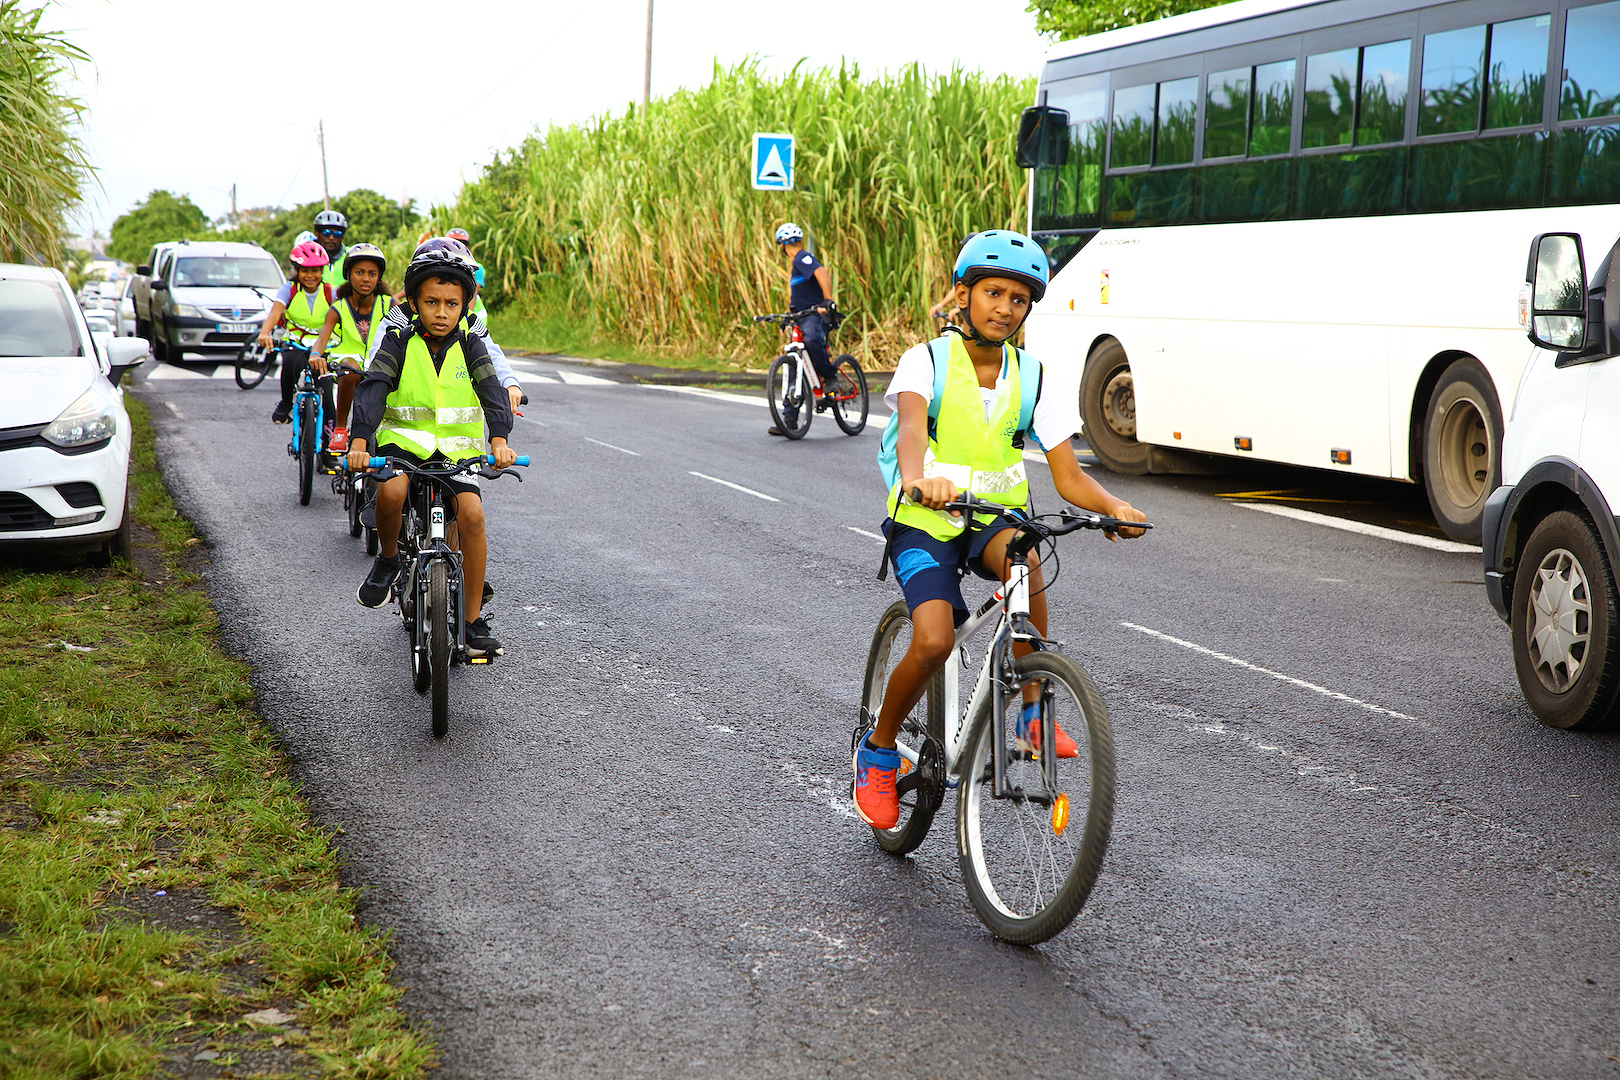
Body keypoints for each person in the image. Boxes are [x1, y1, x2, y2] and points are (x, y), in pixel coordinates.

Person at [853, 230, 1149, 830]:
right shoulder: (925, 362)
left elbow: (1070, 477)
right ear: (962, 295)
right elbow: (910, 432)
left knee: (1026, 557)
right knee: (933, 641)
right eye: (993, 292)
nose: (1005, 308)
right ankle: (878, 750)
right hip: (927, 519)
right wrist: (918, 480)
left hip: (993, 519)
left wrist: (1113, 506)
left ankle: (1032, 714)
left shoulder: (1033, 377)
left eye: (1019, 299)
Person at [346, 242, 517, 657]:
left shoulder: (471, 342)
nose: (442, 312)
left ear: (464, 305)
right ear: (414, 303)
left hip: (457, 450)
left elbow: (491, 390)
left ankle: (472, 621)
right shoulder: (398, 339)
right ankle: (389, 559)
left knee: (472, 516)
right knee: (391, 493)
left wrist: (498, 440)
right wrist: (360, 441)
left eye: (451, 304)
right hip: (404, 443)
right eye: (431, 302)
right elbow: (374, 387)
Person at [308, 243, 393, 452]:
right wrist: (316, 354)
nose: (366, 279)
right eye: (359, 272)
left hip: (379, 366)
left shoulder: (390, 305)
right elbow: (322, 338)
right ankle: (340, 428)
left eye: (372, 274)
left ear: (379, 277)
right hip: (346, 366)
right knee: (350, 368)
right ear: (348, 274)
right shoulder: (338, 308)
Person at [767, 222, 835, 437]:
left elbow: (822, 273)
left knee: (812, 340)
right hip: (801, 316)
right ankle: (789, 419)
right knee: (795, 361)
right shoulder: (796, 266)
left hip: (814, 315)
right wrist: (787, 316)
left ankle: (830, 376)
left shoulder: (801, 258)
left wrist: (828, 301)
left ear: (782, 246)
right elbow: (799, 299)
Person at [257, 240, 335, 425]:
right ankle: (286, 402)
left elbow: (344, 315)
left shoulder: (331, 292)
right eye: (305, 271)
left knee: (327, 393)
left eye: (315, 270)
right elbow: (275, 313)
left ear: (322, 271)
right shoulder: (289, 289)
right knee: (290, 365)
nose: (310, 275)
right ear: (296, 271)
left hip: (324, 347)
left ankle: (331, 432)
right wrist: (265, 333)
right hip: (295, 343)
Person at [313, 209, 349, 288]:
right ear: (317, 234)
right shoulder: (309, 256)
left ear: (342, 237)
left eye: (337, 234)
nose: (331, 238)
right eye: (327, 233)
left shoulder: (350, 255)